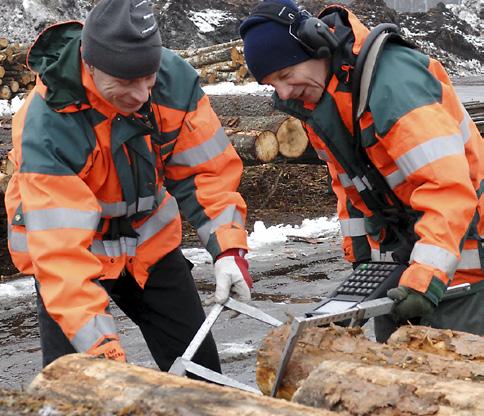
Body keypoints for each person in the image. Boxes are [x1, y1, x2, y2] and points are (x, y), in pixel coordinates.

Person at [5, 0, 253, 372]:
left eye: (147, 78)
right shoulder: (48, 123)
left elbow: (207, 173)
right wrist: (102, 356)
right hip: (72, 252)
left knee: (201, 374)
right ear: (90, 65)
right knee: (80, 387)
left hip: (147, 245)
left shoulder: (172, 83)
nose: (141, 95)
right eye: (124, 82)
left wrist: (228, 248)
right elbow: (61, 252)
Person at [240, 0, 483, 340]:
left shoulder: (393, 85)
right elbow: (350, 188)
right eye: (271, 85)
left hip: (463, 263)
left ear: (317, 46)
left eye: (285, 75)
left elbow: (447, 188)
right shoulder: (323, 101)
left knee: (458, 382)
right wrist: (363, 269)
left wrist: (426, 277)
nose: (283, 92)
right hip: (404, 260)